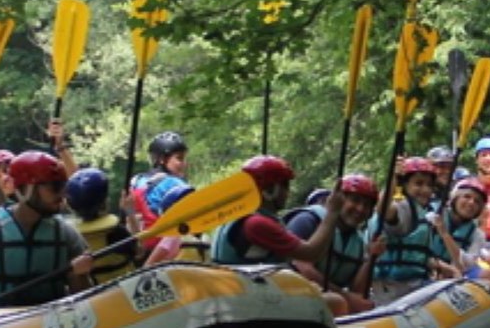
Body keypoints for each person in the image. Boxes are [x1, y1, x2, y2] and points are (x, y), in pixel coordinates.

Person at [211, 155, 347, 312]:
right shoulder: (256, 224)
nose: (288, 192)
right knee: (336, 303)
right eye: (285, 186)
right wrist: (332, 213)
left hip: (245, 293)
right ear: (269, 190)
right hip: (246, 300)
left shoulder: (240, 215)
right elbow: (311, 252)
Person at [0, 151, 93, 307]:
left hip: (47, 325)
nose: (62, 194)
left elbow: (85, 299)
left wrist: (79, 275)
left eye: (64, 187)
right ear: (26, 189)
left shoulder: (66, 234)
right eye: (55, 187)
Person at [284, 173, 386, 314]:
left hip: (326, 303)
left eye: (367, 205)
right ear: (339, 200)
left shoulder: (358, 241)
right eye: (355, 201)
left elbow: (357, 291)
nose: (360, 209)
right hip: (290, 294)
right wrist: (346, 298)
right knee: (338, 303)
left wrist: (371, 258)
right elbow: (301, 267)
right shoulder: (307, 220)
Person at [428, 177, 490, 301]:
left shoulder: (477, 234)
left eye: (477, 201)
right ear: (455, 198)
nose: (471, 203)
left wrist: (445, 234)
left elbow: (465, 264)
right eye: (466, 197)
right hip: (429, 269)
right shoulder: (432, 215)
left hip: (458, 274)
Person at [371, 156, 441, 293]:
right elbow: (383, 208)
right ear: (404, 186)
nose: (425, 190)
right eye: (419, 184)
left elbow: (416, 255)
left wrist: (441, 266)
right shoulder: (403, 206)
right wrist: (394, 178)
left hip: (413, 284)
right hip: (393, 288)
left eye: (429, 185)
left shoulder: (422, 211)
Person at [64, 166, 138, 283]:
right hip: (122, 292)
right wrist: (130, 212)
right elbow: (139, 250)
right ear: (104, 201)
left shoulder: (69, 236)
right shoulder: (115, 231)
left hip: (90, 296)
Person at [130, 131, 191, 252]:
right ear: (162, 159)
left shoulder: (135, 181)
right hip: (165, 252)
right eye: (179, 158)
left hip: (137, 249)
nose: (184, 164)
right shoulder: (175, 184)